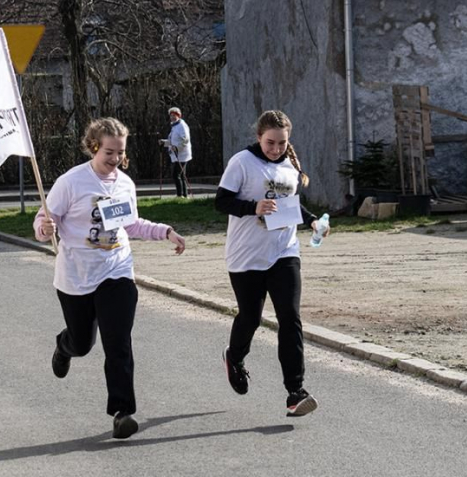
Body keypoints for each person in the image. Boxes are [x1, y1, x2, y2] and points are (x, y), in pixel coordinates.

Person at [34, 117, 186, 439]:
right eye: (109, 152)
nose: (115, 159)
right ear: (93, 147)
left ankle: (122, 411)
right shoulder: (71, 182)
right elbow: (46, 218)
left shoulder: (124, 185)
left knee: (118, 342)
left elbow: (131, 224)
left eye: (120, 152)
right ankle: (64, 346)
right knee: (83, 343)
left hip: (116, 269)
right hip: (76, 275)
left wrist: (166, 232)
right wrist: (43, 228)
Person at [214, 109, 328, 417]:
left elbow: (290, 206)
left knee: (289, 318)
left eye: (281, 143)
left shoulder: (290, 166)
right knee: (250, 317)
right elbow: (221, 201)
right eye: (270, 143)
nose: (276, 149)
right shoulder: (242, 163)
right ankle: (234, 357)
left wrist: (314, 222)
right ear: (259, 138)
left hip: (284, 252)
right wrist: (254, 207)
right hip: (247, 255)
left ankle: (295, 391)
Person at [160, 107, 192, 198]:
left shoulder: (182, 125)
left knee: (176, 175)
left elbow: (185, 140)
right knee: (181, 175)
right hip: (177, 154)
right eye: (171, 116)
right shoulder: (174, 126)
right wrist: (164, 142)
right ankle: (184, 195)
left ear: (178, 116)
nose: (172, 117)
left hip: (182, 155)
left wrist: (177, 147)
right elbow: (172, 141)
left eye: (174, 115)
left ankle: (180, 195)